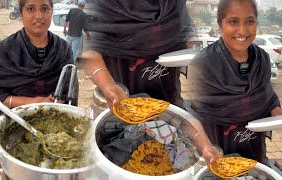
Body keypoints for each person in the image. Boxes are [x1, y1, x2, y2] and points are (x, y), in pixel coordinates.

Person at [81, 0, 221, 164]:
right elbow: (90, 53)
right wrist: (109, 86)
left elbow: (186, 37)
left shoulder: (174, 4)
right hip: (120, 111)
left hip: (168, 104)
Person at [190, 0, 282, 165]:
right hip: (218, 155)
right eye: (233, 21)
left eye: (249, 22)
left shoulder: (262, 59)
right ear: (220, 24)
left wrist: (276, 112)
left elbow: (266, 96)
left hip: (255, 153)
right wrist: (205, 146)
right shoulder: (203, 63)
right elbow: (191, 114)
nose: (242, 30)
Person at [0, 0, 78, 115]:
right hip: (14, 122)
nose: (38, 16)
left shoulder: (63, 49)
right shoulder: (5, 51)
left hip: (54, 119)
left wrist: (54, 103)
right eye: (31, 9)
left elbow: (69, 91)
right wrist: (32, 102)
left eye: (44, 9)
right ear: (21, 14)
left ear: (52, 12)